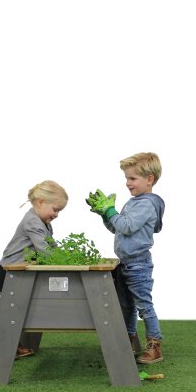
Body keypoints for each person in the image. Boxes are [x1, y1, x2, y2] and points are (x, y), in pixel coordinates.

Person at [86, 152, 165, 365]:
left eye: (132, 178)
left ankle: (155, 345)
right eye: (126, 178)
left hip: (139, 264)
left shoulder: (146, 204)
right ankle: (128, 340)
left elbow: (127, 226)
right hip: (126, 263)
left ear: (149, 179)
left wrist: (111, 211)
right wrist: (105, 215)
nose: (127, 183)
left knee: (144, 306)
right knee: (126, 305)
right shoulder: (134, 202)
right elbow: (117, 228)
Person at [0, 180, 68, 357]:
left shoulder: (43, 222)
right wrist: (63, 261)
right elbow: (44, 250)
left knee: (20, 308)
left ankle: (15, 345)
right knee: (9, 311)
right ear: (40, 202)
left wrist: (63, 256)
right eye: (55, 209)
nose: (57, 215)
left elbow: (51, 245)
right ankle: (4, 349)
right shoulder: (32, 221)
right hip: (10, 271)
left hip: (21, 271)